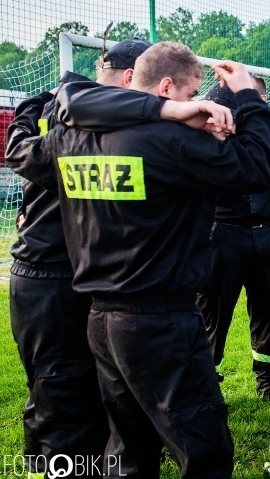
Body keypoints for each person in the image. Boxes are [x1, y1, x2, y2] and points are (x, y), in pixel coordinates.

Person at [7, 42, 270, 477]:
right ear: (167, 87)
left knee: (128, 445)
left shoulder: (71, 138)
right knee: (203, 447)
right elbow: (256, 171)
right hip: (160, 319)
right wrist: (247, 97)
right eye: (191, 95)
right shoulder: (171, 141)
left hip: (100, 318)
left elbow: (34, 142)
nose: (194, 106)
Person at [4, 37, 149, 476]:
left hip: (83, 276)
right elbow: (25, 157)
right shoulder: (81, 115)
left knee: (84, 394)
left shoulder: (77, 110)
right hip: (50, 276)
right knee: (61, 395)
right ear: (129, 77)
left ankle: (70, 463)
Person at [195, 81, 270, 404]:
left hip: (267, 232)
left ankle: (268, 384)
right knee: (214, 315)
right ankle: (207, 389)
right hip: (224, 233)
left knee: (267, 309)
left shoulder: (269, 129)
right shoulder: (204, 136)